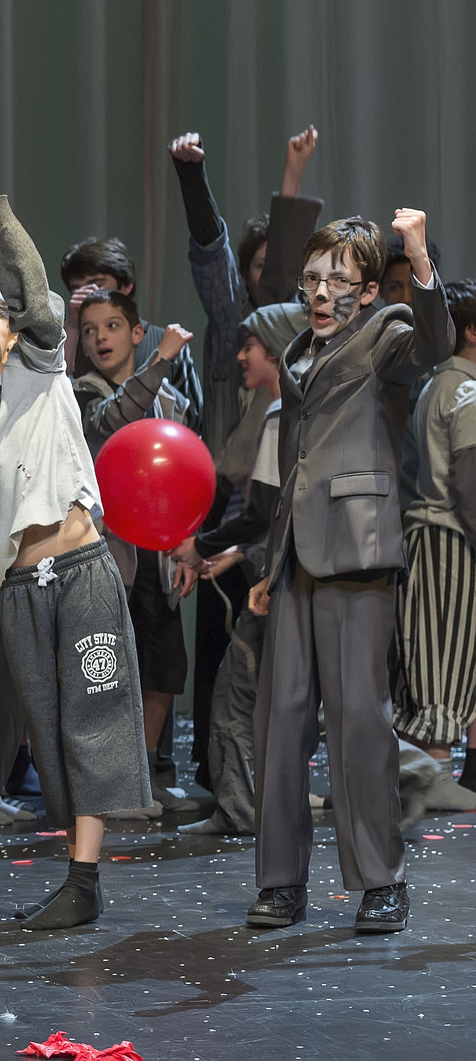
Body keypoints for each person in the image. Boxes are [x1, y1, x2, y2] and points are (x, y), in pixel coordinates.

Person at [0, 153, 150, 931]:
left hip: (79, 568)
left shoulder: (41, 368)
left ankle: (85, 878)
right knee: (47, 733)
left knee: (94, 718)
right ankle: (78, 877)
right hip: (18, 588)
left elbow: (30, 278)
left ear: (14, 333)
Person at [244, 211, 450, 933]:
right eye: (312, 279)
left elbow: (435, 344)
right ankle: (280, 882)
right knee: (280, 723)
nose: (321, 292)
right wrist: (271, 563)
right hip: (296, 556)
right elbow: (295, 468)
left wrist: (416, 256)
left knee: (360, 721)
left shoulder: (388, 332)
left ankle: (380, 881)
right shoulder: (298, 349)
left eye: (338, 280)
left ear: (366, 290)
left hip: (358, 548)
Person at [167, 126, 323, 792]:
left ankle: (267, 779)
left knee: (272, 657)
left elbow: (289, 269)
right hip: (224, 507)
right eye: (253, 266)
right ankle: (219, 773)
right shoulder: (235, 331)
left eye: (270, 267)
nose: (264, 275)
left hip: (275, 512)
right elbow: (211, 254)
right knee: (220, 650)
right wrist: (191, 176)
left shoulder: (297, 348)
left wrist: (293, 175)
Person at [177, 303, 306, 836]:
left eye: (250, 346)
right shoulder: (311, 406)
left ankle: (240, 812)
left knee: (235, 696)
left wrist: (199, 544)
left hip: (276, 581)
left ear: (276, 350)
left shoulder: (280, 413)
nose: (241, 356)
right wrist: (232, 553)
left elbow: (262, 512)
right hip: (296, 571)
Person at [71, 291, 197, 818]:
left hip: (158, 551)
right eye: (90, 329)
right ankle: (113, 785)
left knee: (164, 665)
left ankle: (143, 779)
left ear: (136, 333)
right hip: (108, 550)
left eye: (113, 326)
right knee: (110, 669)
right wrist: (162, 359)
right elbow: (114, 418)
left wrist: (189, 544)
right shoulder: (81, 393)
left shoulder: (173, 401)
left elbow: (187, 471)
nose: (101, 337)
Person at [394, 279, 476, 784]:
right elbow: (469, 484)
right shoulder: (464, 390)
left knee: (447, 654)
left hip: (430, 537)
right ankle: (437, 779)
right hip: (447, 539)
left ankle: (442, 777)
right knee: (443, 658)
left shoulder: (435, 385)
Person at [59, 235, 204, 438]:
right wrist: (74, 327)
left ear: (126, 285)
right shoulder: (77, 354)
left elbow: (192, 424)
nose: (88, 296)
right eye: (77, 289)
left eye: (97, 285)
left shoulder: (163, 342)